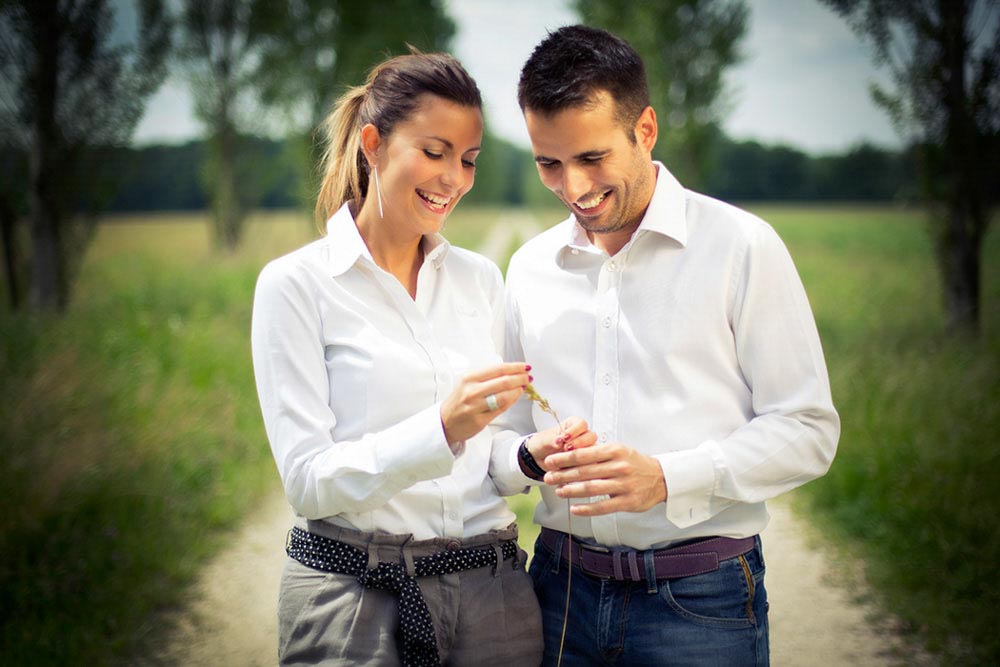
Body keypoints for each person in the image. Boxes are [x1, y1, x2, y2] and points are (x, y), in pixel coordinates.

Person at [490, 25, 841, 665]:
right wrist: (529, 456)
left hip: (700, 603)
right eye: (549, 162)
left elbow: (808, 430)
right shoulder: (528, 268)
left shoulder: (742, 247)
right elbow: (503, 438)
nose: (572, 187)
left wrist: (666, 479)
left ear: (645, 130)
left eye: (592, 158)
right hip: (557, 595)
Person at [250, 50, 591, 666]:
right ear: (373, 144)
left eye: (468, 160)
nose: (454, 179)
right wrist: (442, 427)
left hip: (493, 595)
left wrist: (527, 457)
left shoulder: (481, 279)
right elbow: (307, 481)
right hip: (353, 598)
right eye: (434, 153)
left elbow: (485, 462)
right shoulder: (295, 285)